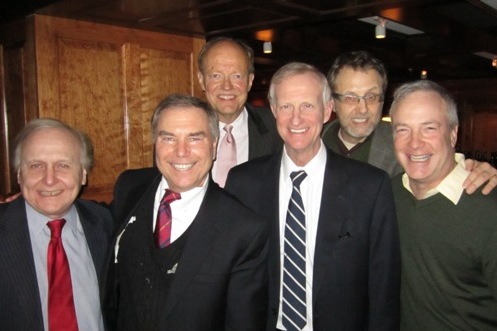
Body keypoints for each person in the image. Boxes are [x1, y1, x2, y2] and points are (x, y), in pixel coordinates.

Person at [225, 62, 400, 330]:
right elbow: (233, 278)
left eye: (308, 105)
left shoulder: (370, 186)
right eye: (286, 106)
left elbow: (383, 290)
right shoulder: (242, 183)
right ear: (273, 110)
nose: (296, 119)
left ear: (327, 110)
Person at [103, 94, 268, 330]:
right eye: (168, 138)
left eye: (194, 138)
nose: (181, 152)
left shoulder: (244, 230)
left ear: (214, 146)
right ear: (155, 143)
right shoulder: (130, 187)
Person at [389, 80, 497, 330]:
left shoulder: (489, 209)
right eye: (403, 130)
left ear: (453, 133)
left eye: (429, 128)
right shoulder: (387, 195)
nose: (415, 143)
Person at [322, 50, 497, 193]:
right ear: (332, 103)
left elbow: (446, 168)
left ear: (382, 100)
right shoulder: (311, 143)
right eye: (351, 97)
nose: (363, 108)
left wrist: (478, 171)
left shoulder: (407, 146)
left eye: (371, 96)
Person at [0, 118, 114, 331]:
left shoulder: (107, 223)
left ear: (83, 175)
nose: (49, 179)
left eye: (63, 165)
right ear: (19, 175)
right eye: (36, 165)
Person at [197, 37, 282, 186]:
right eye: (216, 76)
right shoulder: (181, 131)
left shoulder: (276, 126)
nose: (227, 86)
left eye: (237, 76)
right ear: (201, 80)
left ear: (250, 81)